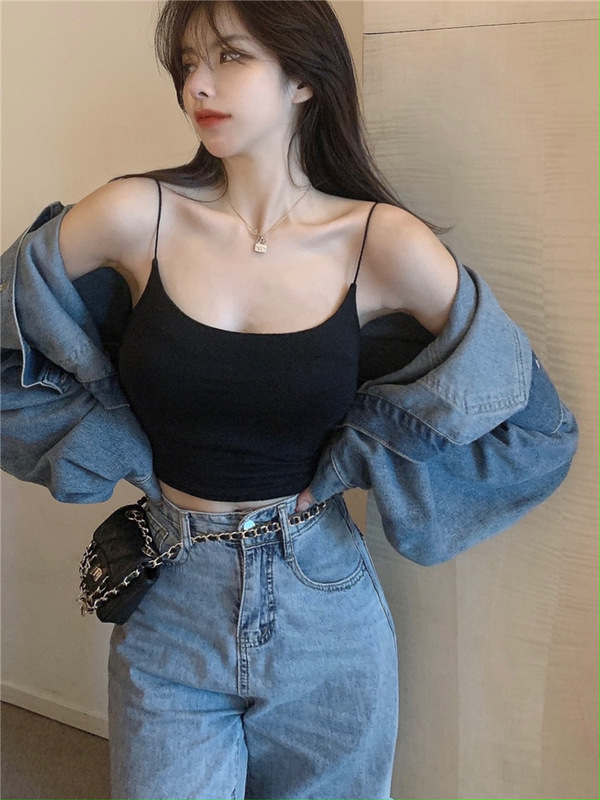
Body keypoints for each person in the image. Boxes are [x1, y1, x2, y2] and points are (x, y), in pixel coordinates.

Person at [0, 2, 578, 799]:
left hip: (325, 608)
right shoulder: (134, 215)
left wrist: (363, 456)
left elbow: (530, 417)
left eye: (229, 57)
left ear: (305, 77)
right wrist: (112, 447)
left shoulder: (381, 243)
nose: (198, 85)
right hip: (173, 604)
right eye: (188, 63)